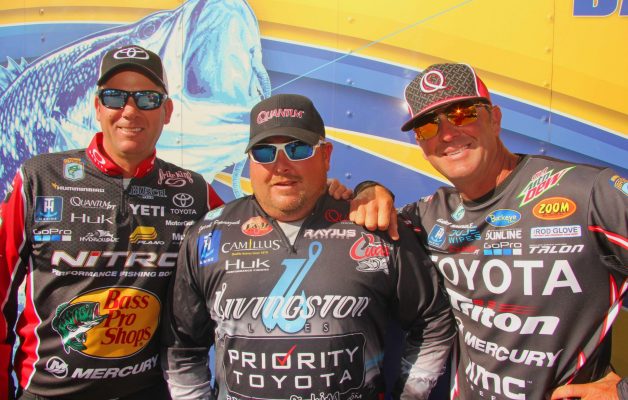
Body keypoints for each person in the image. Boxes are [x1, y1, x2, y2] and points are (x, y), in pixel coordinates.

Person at [349, 63, 628, 399]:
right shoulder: (429, 215)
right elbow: (369, 225)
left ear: (495, 119)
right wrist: (368, 188)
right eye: (427, 127)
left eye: (462, 114)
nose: (447, 134)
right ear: (421, 144)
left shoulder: (588, 193)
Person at [161, 93, 456, 399]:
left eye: (297, 148)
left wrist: (412, 394)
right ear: (250, 161)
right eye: (264, 152)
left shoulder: (372, 227)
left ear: (325, 155)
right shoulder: (208, 234)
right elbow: (182, 348)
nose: (281, 165)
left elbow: (433, 321)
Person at [0, 45, 226, 400]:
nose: (130, 111)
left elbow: (253, 247)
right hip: (48, 392)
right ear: (97, 107)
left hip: (150, 392)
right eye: (115, 97)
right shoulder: (38, 178)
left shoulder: (194, 191)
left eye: (148, 99)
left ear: (167, 111)